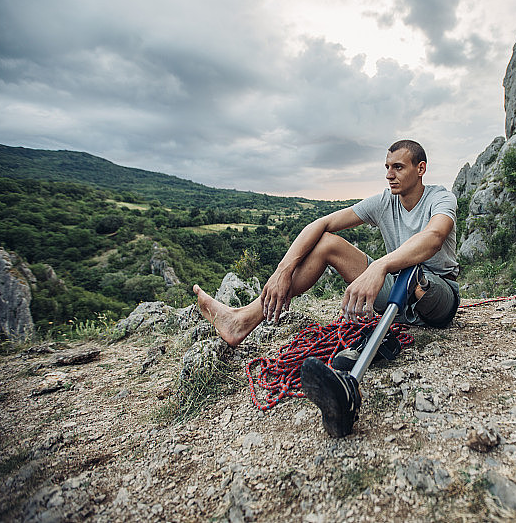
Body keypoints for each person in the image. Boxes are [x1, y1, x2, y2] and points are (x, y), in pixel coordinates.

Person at [193, 139, 459, 436]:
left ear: (420, 169)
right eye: (386, 167)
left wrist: (380, 265)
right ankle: (241, 321)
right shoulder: (385, 202)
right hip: (395, 291)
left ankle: (354, 376)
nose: (389, 175)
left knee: (415, 274)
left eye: (398, 167)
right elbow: (321, 224)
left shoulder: (441, 198)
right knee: (327, 244)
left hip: (435, 296)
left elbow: (435, 236)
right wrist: (284, 269)